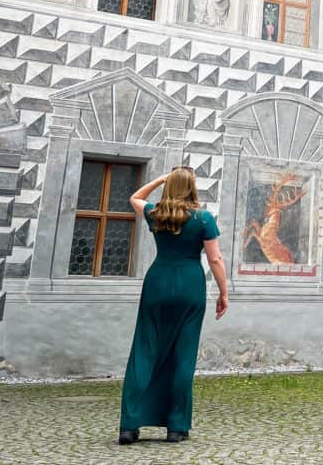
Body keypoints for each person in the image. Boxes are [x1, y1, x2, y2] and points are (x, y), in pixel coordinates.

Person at [118, 167, 229, 446]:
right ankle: (176, 427)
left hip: (158, 281)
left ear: (169, 186)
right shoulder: (203, 218)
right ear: (193, 187)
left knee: (143, 351)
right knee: (184, 354)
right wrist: (224, 293)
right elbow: (215, 260)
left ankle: (129, 427)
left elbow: (135, 197)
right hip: (190, 285)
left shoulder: (156, 212)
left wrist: (160, 180)